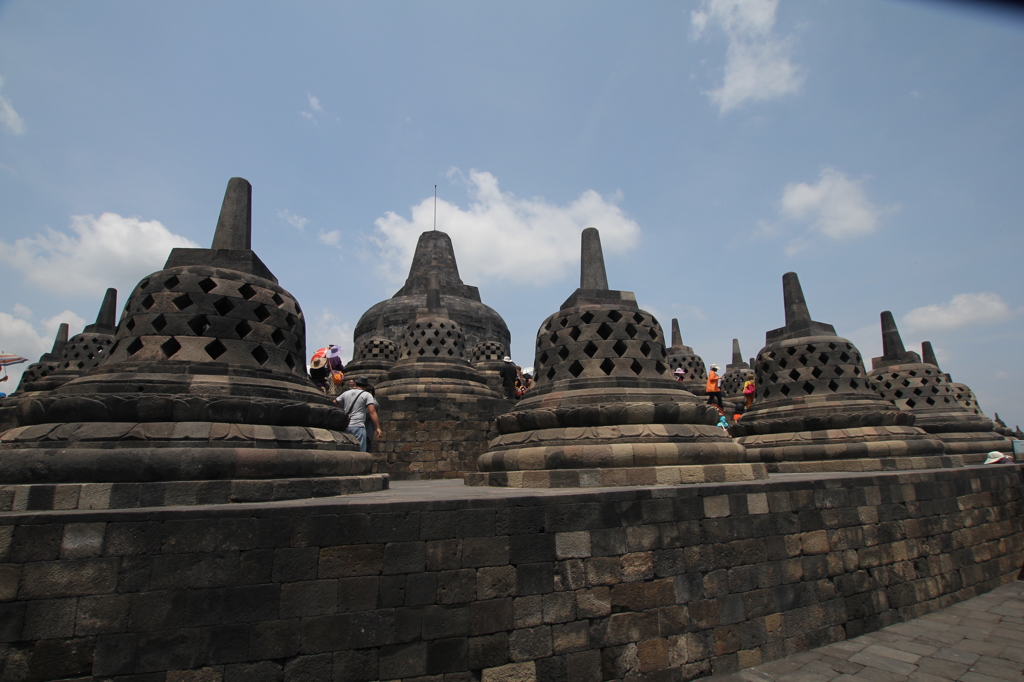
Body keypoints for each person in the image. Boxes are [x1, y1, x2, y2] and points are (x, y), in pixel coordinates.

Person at [335, 375, 382, 452]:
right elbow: (371, 411)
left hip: (345, 425)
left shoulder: (346, 393)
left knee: (347, 451)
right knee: (360, 452)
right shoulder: (367, 395)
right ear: (366, 386)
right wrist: (378, 427)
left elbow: (335, 403)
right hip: (358, 426)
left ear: (356, 384)